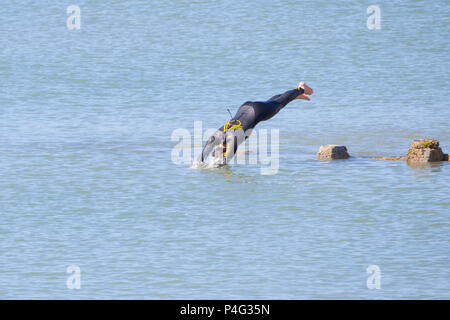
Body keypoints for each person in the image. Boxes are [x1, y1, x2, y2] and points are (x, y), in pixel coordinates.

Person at [198, 82, 313, 165]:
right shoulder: (218, 136)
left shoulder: (232, 140)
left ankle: (301, 89)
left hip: (258, 112)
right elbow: (206, 149)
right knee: (273, 102)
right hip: (245, 107)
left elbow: (225, 161)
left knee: (279, 104)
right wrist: (197, 164)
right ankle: (296, 95)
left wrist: (217, 165)